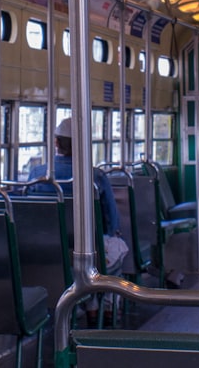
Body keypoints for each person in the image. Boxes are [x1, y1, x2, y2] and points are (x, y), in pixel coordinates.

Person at [28, 116, 127, 325]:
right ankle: (103, 304)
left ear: (56, 143)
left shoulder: (37, 175)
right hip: (88, 251)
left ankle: (89, 303)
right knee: (118, 249)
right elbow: (111, 221)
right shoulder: (95, 177)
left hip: (44, 252)